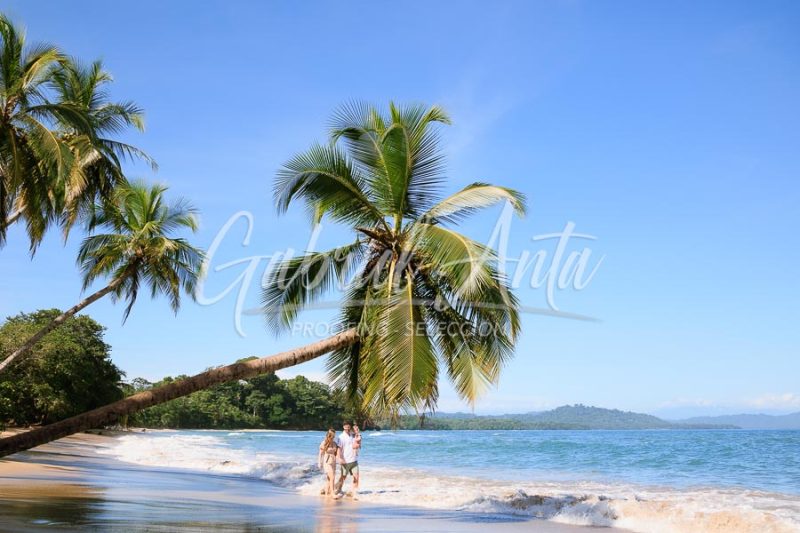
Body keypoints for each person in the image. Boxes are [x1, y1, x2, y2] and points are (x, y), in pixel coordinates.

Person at [335, 421, 362, 499]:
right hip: (345, 461)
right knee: (343, 478)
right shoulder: (341, 437)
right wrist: (340, 458)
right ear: (343, 427)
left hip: (354, 460)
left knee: (356, 477)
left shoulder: (353, 436)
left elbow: (359, 443)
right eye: (345, 426)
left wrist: (358, 432)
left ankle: (354, 493)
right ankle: (338, 490)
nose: (347, 427)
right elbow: (339, 449)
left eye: (348, 426)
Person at [317, 428, 338, 497]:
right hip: (327, 461)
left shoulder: (335, 443)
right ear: (328, 435)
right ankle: (332, 493)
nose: (333, 437)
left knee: (329, 478)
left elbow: (337, 453)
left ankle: (327, 492)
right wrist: (319, 463)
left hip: (333, 462)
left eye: (333, 436)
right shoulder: (324, 442)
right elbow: (320, 454)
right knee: (332, 477)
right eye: (331, 436)